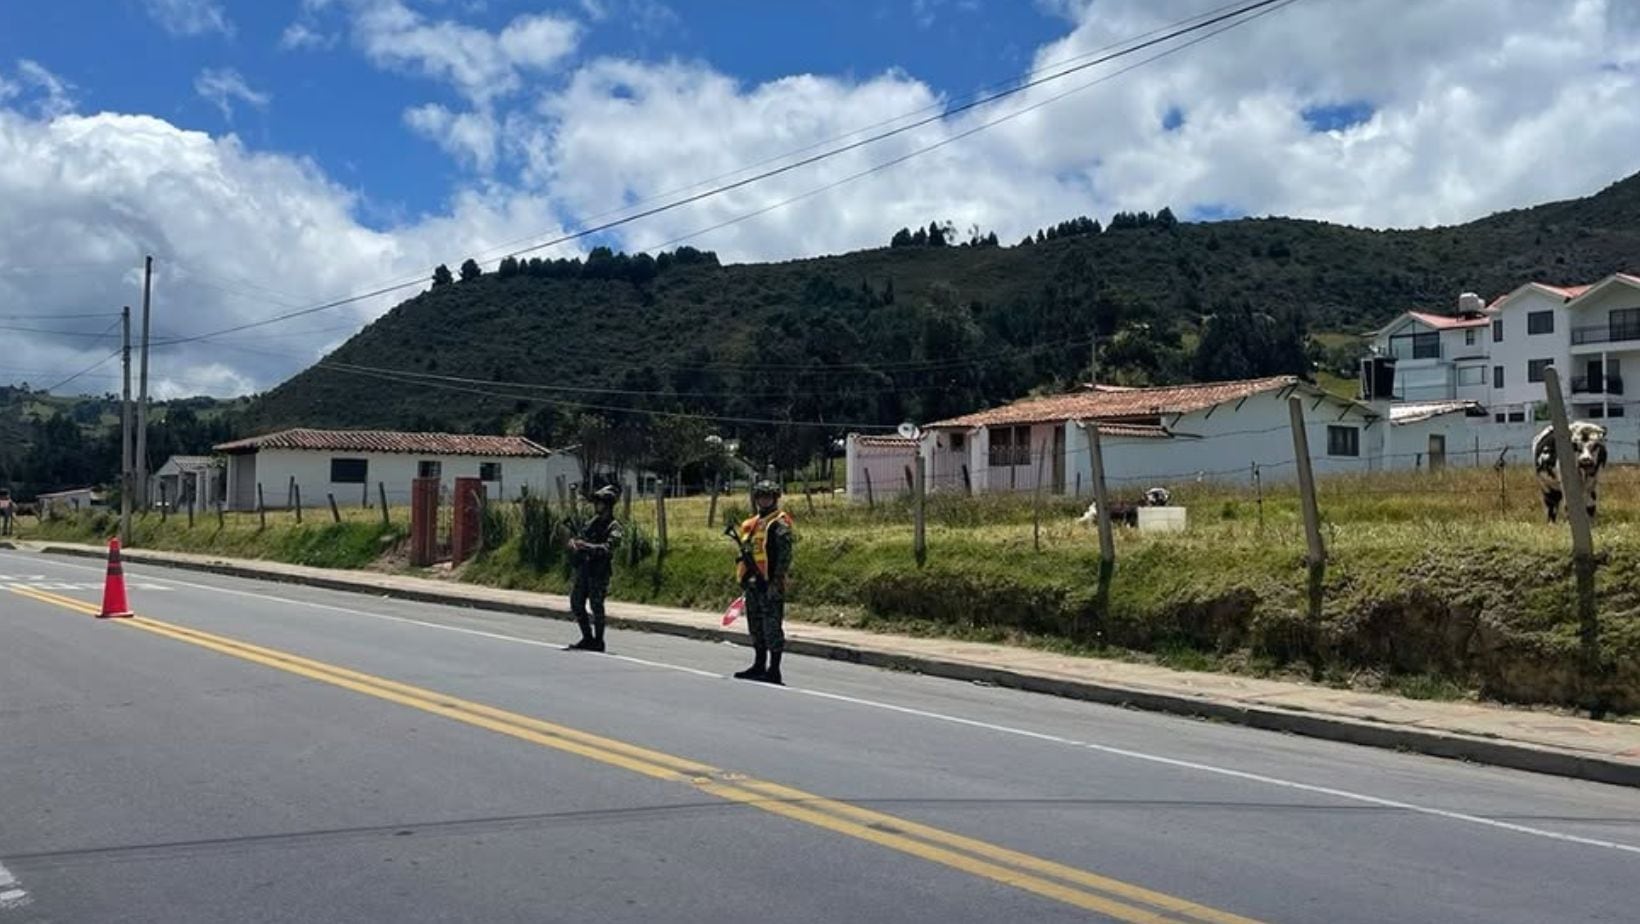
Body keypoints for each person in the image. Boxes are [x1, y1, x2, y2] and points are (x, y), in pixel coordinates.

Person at [733, 480, 796, 685]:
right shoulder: (752, 524)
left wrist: (776, 582)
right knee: (756, 626)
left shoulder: (779, 523)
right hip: (753, 583)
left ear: (775, 498)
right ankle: (759, 665)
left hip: (770, 584)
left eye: (768, 496)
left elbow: (784, 557)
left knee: (772, 628)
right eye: (760, 496)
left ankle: (774, 669)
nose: (764, 500)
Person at [566, 484, 623, 652]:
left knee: (596, 606)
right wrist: (575, 544)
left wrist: (587, 546)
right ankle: (587, 637)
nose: (596, 506)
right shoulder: (592, 523)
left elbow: (608, 548)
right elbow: (581, 536)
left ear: (607, 505)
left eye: (599, 503)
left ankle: (599, 641)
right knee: (576, 603)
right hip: (584, 568)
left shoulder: (614, 527)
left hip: (599, 571)